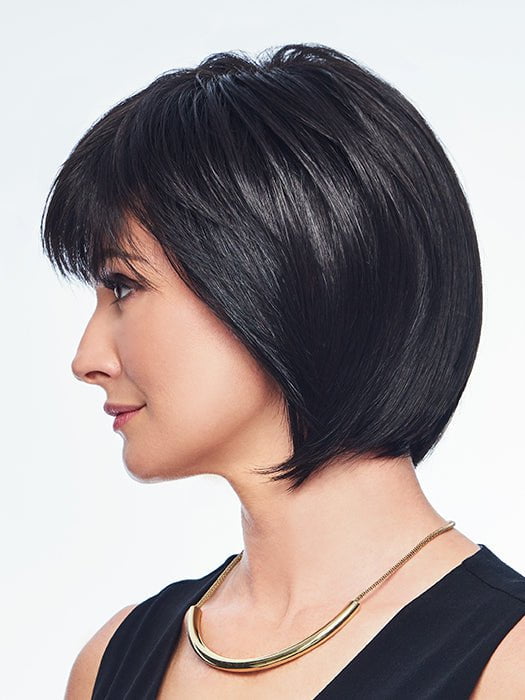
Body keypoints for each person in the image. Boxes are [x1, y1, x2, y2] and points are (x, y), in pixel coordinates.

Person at [41, 43, 525, 699]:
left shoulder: (507, 665)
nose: (87, 360)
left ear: (284, 279)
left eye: (123, 287)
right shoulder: (112, 661)